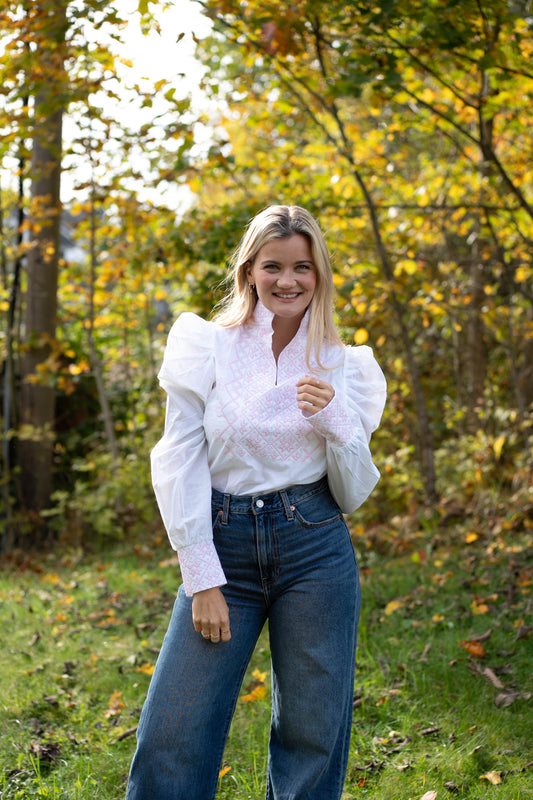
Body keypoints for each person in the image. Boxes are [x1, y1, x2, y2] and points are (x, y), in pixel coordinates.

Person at [125, 204, 386, 800]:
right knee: (176, 726)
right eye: (273, 266)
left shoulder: (346, 367)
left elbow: (353, 494)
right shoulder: (206, 346)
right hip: (225, 543)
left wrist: (337, 421)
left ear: (319, 273)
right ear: (249, 271)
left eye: (302, 267)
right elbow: (178, 456)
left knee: (312, 732)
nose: (288, 281)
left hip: (315, 545)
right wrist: (202, 577)